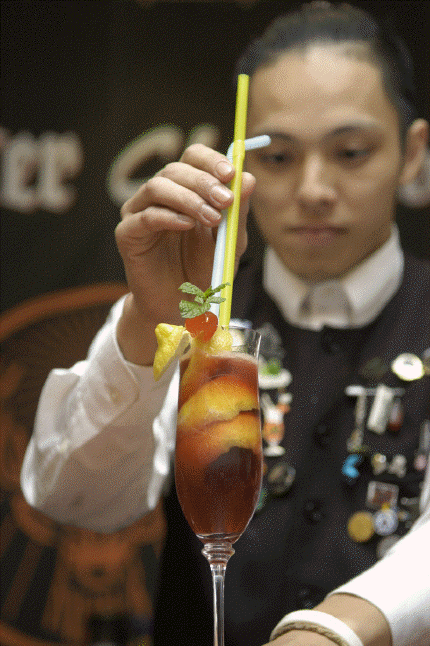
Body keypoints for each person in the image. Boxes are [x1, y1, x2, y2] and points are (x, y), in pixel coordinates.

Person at [20, 3, 430, 646]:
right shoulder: (191, 315)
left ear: (412, 153)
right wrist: (146, 323)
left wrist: (333, 630)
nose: (313, 189)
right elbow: (77, 501)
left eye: (350, 152)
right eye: (279, 157)